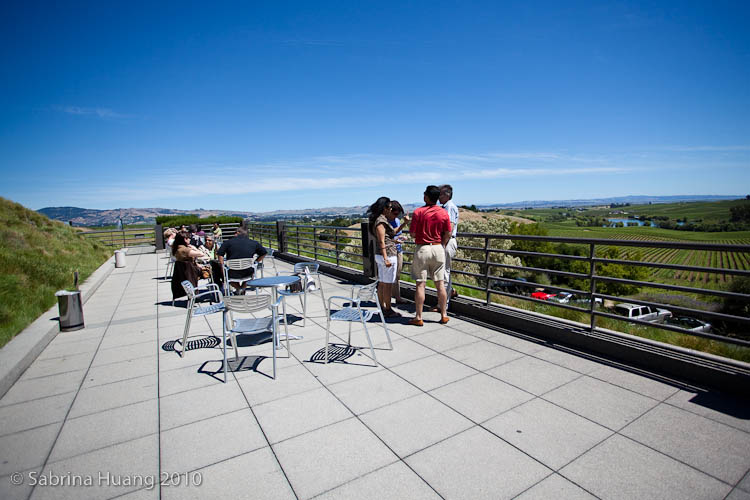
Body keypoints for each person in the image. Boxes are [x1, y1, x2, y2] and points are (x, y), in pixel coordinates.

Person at [408, 185, 452, 326]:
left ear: (426, 196)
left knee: (421, 284)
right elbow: (448, 232)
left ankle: (418, 317)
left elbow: (412, 234)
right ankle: (444, 315)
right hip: (438, 248)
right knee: (440, 284)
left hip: (423, 249)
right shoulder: (443, 213)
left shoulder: (418, 212)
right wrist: (442, 244)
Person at [368, 197, 400, 317]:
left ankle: (382, 307)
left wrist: (394, 240)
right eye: (390, 207)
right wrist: (386, 258)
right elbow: (381, 241)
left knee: (382, 283)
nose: (391, 209)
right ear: (384, 208)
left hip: (380, 255)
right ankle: (388, 309)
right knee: (387, 285)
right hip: (387, 255)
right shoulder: (381, 221)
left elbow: (386, 237)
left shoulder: (377, 219)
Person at [217, 227, 267, 294]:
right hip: (247, 272)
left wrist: (222, 265)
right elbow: (264, 253)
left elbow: (220, 255)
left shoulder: (227, 243)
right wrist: (256, 261)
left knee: (225, 274)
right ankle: (242, 289)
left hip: (232, 272)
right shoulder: (254, 243)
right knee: (251, 273)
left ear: (237, 233)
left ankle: (239, 289)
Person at [439, 184, 460, 304]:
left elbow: (449, 228)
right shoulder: (446, 207)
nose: (438, 197)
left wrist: (442, 244)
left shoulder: (449, 207)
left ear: (447, 195)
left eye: (440, 194)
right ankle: (450, 292)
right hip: (446, 241)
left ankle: (443, 304)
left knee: (444, 272)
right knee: (444, 271)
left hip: (447, 241)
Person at [170, 233, 205, 301]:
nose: (190, 240)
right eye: (188, 238)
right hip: (191, 271)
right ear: (185, 239)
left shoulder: (176, 248)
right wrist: (194, 248)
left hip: (184, 272)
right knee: (213, 271)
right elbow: (201, 254)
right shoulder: (184, 250)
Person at [388, 200, 410, 305]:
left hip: (398, 250)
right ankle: (387, 300)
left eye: (398, 214)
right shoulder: (384, 222)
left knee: (397, 275)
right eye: (395, 213)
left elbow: (397, 234)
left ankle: (397, 297)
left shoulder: (396, 220)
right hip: (389, 251)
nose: (396, 216)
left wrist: (401, 237)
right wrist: (394, 240)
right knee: (388, 276)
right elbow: (385, 239)